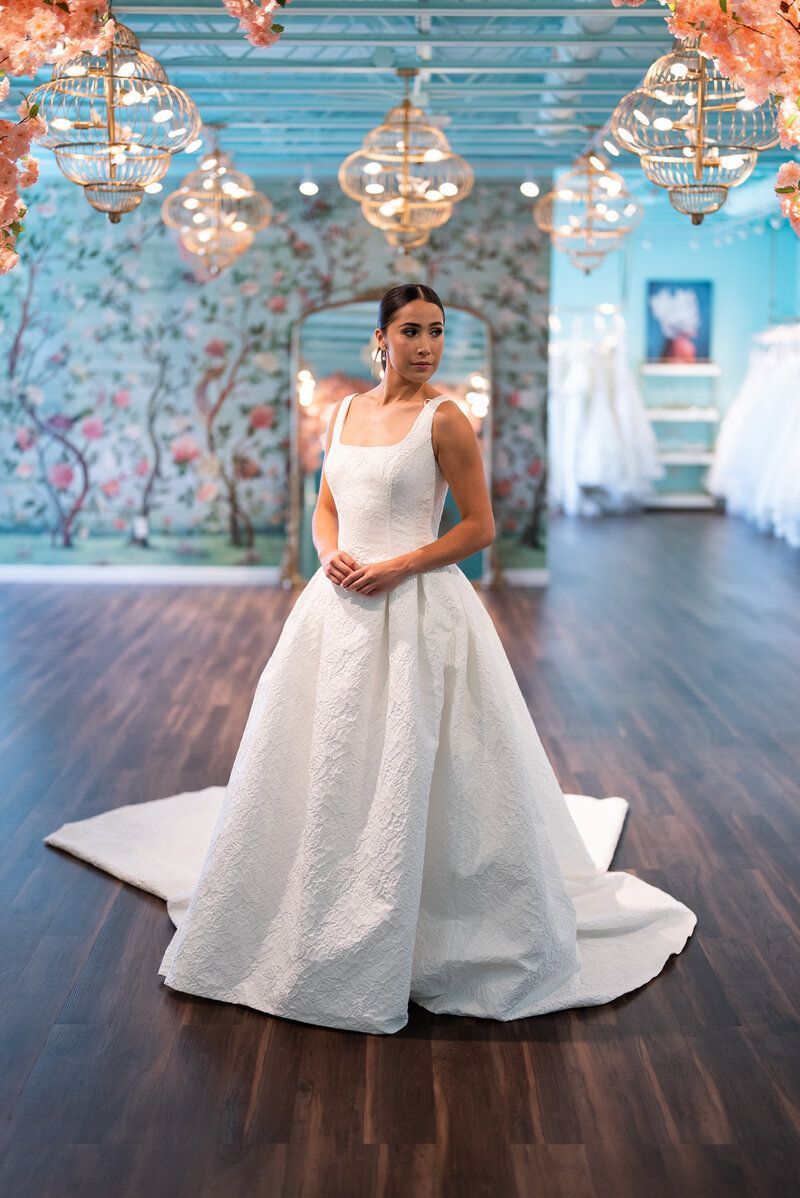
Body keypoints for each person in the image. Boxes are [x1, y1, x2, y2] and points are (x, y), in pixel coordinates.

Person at [44, 283, 696, 1035]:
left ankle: (421, 913)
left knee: (417, 753)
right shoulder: (346, 412)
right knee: (329, 751)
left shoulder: (444, 419)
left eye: (438, 332)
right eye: (412, 331)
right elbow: (326, 504)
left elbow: (480, 528)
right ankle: (321, 882)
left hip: (417, 603)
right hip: (338, 602)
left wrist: (399, 565)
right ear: (380, 339)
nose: (426, 346)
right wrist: (332, 555)